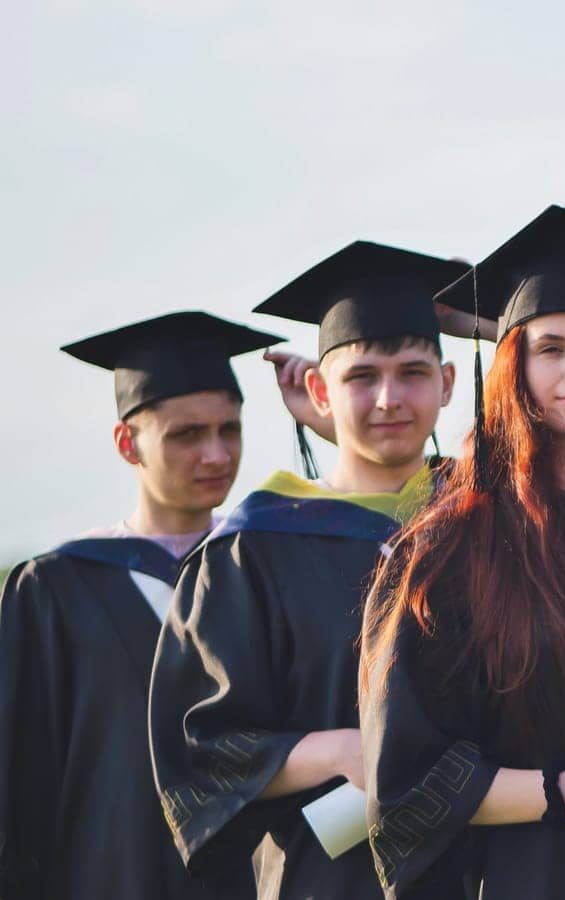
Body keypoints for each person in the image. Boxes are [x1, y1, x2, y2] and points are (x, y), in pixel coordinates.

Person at [359, 206, 565, 898]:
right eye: (551, 348)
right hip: (537, 870)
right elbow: (409, 783)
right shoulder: (453, 548)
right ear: (513, 365)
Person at [149, 241, 467, 899]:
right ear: (319, 391)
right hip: (329, 873)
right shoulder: (258, 546)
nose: (389, 398)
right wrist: (345, 751)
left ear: (448, 383)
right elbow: (202, 749)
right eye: (361, 378)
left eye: (413, 371)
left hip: (489, 867)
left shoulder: (492, 524)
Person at [0, 313, 280, 899]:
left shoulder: (264, 570)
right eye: (186, 434)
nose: (216, 454)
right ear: (129, 443)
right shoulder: (57, 591)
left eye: (230, 429)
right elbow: (20, 790)